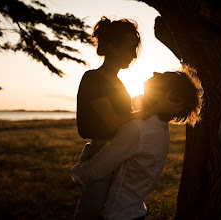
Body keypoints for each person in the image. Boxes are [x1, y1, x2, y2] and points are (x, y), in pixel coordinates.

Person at [74, 17, 182, 220]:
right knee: (88, 215)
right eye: (130, 47)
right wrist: (154, 109)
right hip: (100, 154)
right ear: (113, 46)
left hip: (118, 152)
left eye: (135, 48)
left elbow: (127, 119)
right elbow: (113, 122)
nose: (133, 54)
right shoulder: (94, 78)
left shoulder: (118, 82)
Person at [71, 68, 204, 220]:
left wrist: (75, 173)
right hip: (135, 212)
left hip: (114, 216)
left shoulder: (138, 129)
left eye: (163, 78)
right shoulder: (159, 128)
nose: (155, 73)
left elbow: (96, 169)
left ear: (173, 98)